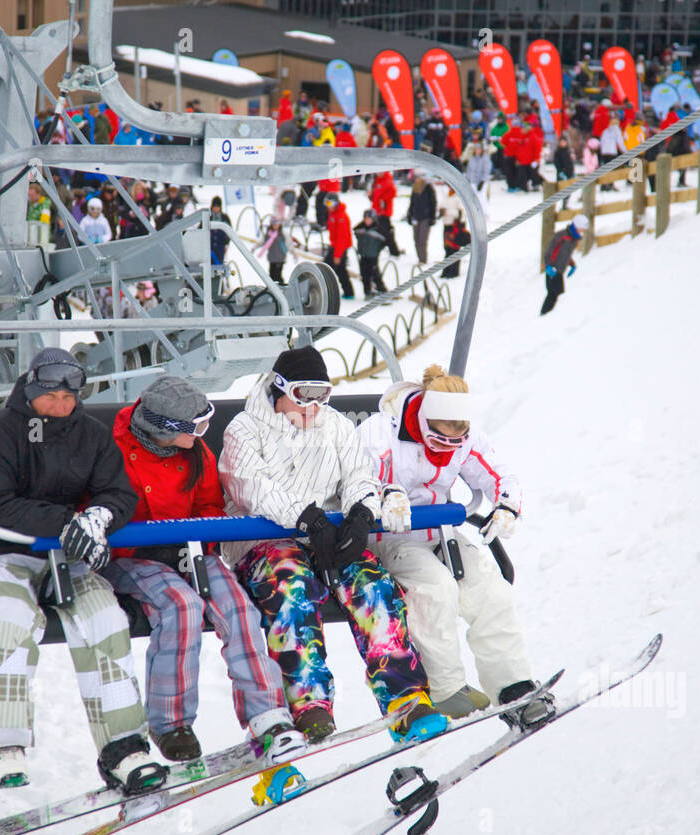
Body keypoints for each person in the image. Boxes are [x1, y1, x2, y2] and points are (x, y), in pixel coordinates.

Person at [0, 348, 165, 794]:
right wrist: (66, 524)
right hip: (2, 552)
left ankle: (124, 748)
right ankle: (4, 745)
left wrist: (99, 518)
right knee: (8, 617)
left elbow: (118, 492)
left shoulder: (89, 434)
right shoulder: (0, 433)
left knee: (106, 618)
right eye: (52, 396)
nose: (63, 406)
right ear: (31, 391)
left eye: (71, 397)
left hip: (65, 559)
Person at [217, 346, 447, 743]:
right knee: (291, 587)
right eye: (304, 396)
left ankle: (404, 697)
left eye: (322, 396)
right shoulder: (243, 429)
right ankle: (310, 705)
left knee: (374, 583)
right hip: (266, 541)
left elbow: (360, 473)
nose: (313, 408)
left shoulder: (335, 426)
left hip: (328, 533)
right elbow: (251, 486)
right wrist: (306, 517)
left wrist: (360, 512)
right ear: (280, 389)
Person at [99, 377, 306, 763]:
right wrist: (150, 544)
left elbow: (211, 503)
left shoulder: (194, 452)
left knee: (240, 610)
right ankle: (170, 721)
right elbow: (100, 509)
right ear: (165, 428)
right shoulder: (111, 451)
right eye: (196, 427)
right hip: (132, 556)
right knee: (181, 607)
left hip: (190, 552)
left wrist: (200, 540)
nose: (202, 434)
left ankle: (267, 712)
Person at [356, 365, 554, 723]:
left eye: (455, 441)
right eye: (438, 439)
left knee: (490, 591)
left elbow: (498, 473)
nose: (446, 448)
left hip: (440, 533)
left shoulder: (466, 436)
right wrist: (388, 495)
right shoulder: (380, 431)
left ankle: (512, 687)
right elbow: (357, 478)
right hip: (390, 537)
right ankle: (445, 688)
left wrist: (507, 504)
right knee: (437, 589)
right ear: (424, 419)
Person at [540, 213, 584, 315]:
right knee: (553, 294)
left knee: (559, 294)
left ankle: (552, 315)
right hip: (553, 269)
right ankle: (544, 316)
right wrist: (547, 265)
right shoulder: (562, 236)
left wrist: (572, 264)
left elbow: (565, 255)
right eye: (581, 229)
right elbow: (550, 251)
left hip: (560, 271)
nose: (582, 232)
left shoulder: (574, 240)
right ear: (576, 227)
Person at [323, 195, 356, 300]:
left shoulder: (341, 217)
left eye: (330, 204)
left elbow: (341, 238)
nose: (328, 206)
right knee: (335, 269)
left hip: (340, 248)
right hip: (335, 245)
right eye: (326, 203)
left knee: (335, 269)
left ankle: (348, 292)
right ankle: (347, 292)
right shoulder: (332, 214)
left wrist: (338, 255)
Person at [353, 208, 389, 298]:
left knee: (374, 272)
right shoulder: (361, 228)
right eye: (365, 219)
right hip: (363, 254)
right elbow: (355, 231)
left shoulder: (378, 229)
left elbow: (387, 239)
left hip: (373, 255)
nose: (367, 221)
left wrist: (379, 248)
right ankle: (367, 291)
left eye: (369, 219)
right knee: (364, 274)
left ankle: (382, 290)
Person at [368, 171, 402, 255]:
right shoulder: (377, 180)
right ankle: (391, 249)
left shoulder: (387, 180)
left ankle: (394, 251)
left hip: (384, 212)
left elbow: (393, 193)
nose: (379, 173)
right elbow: (375, 195)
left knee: (386, 232)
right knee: (382, 231)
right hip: (376, 211)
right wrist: (371, 196)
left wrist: (382, 200)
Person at [406, 177, 436, 265]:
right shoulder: (414, 188)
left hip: (425, 218)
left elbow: (433, 203)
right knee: (416, 239)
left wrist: (432, 217)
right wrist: (409, 215)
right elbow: (412, 203)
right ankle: (419, 258)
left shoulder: (428, 188)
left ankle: (423, 259)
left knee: (422, 240)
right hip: (416, 217)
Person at [253, 215, 291, 284]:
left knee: (278, 275)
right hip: (272, 258)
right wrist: (255, 247)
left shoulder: (282, 234)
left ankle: (282, 288)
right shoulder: (269, 233)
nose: (275, 226)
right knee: (271, 275)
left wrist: (292, 252)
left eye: (277, 224)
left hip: (280, 258)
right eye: (274, 224)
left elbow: (288, 243)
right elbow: (263, 241)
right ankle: (273, 289)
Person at [441, 214, 470, 280]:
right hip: (449, 223)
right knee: (448, 250)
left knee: (454, 251)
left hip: (457, 223)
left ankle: (453, 272)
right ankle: (447, 271)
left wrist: (458, 216)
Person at [208, 195, 231, 265]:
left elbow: (229, 232)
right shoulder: (207, 217)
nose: (216, 208)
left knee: (219, 264)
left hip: (220, 247)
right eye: (214, 206)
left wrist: (226, 244)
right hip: (208, 247)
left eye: (217, 207)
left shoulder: (225, 218)